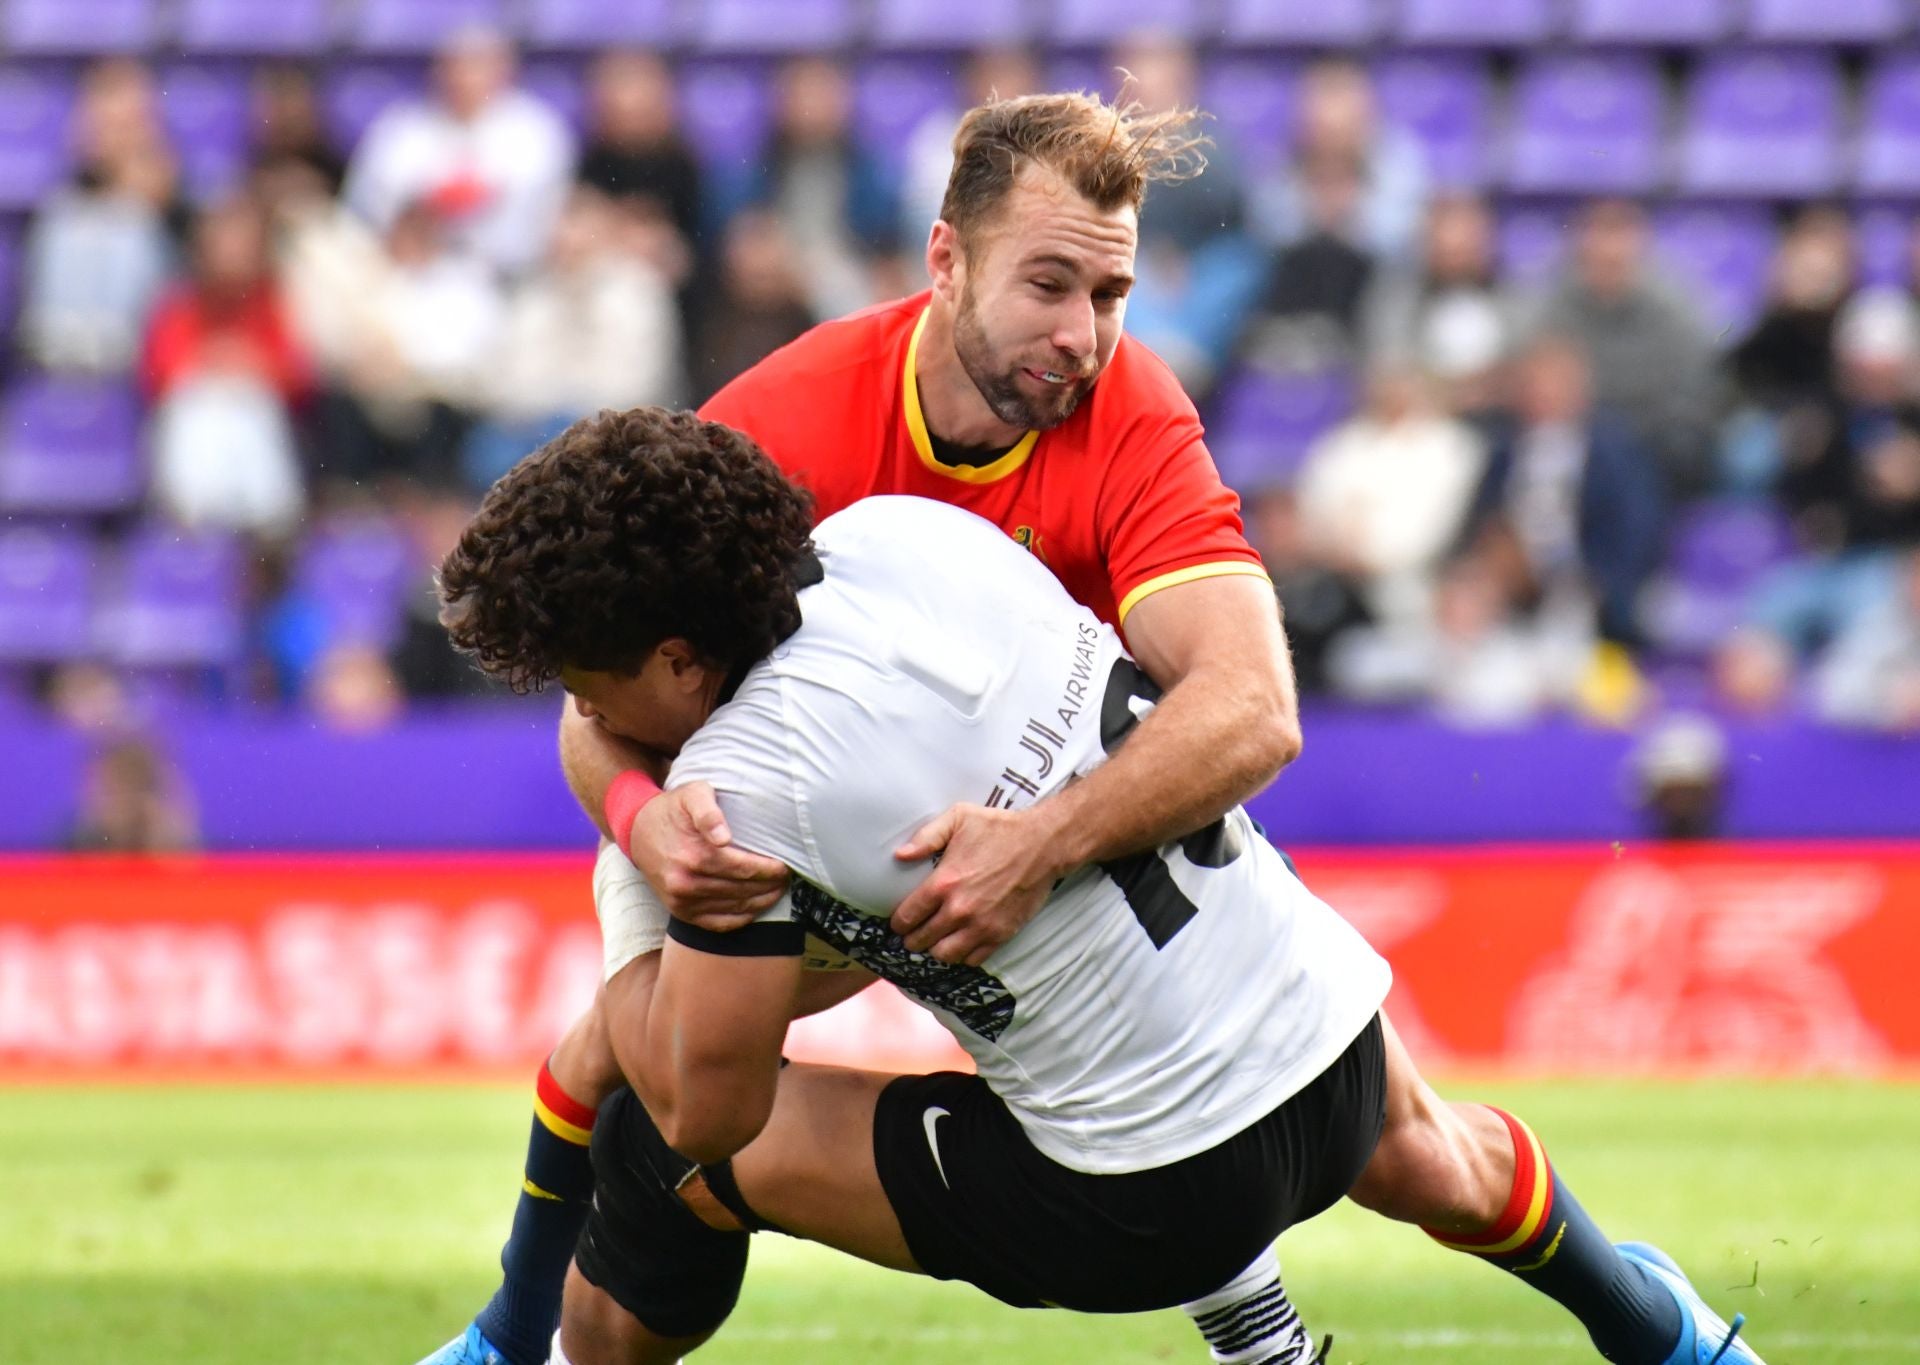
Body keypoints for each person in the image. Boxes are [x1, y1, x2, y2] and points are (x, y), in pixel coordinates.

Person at [437, 407, 1769, 1365]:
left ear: (678, 663)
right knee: (1447, 1162)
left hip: (1148, 1197)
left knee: (659, 1157)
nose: (581, 710)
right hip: (1326, 1040)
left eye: (585, 681)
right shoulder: (910, 534)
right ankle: (1669, 1336)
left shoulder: (746, 780)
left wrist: (636, 921)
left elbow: (706, 1102)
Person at [420, 91, 1301, 1365]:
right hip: (746, 813)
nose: (1085, 336)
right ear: (946, 260)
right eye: (1048, 286)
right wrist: (641, 818)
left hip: (1010, 808)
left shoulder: (1132, 407)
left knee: (1290, 1081)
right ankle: (523, 1337)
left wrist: (1045, 838)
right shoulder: (788, 422)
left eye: (1108, 297)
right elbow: (599, 698)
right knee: (663, 1090)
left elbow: (1250, 703)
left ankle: (1259, 1311)